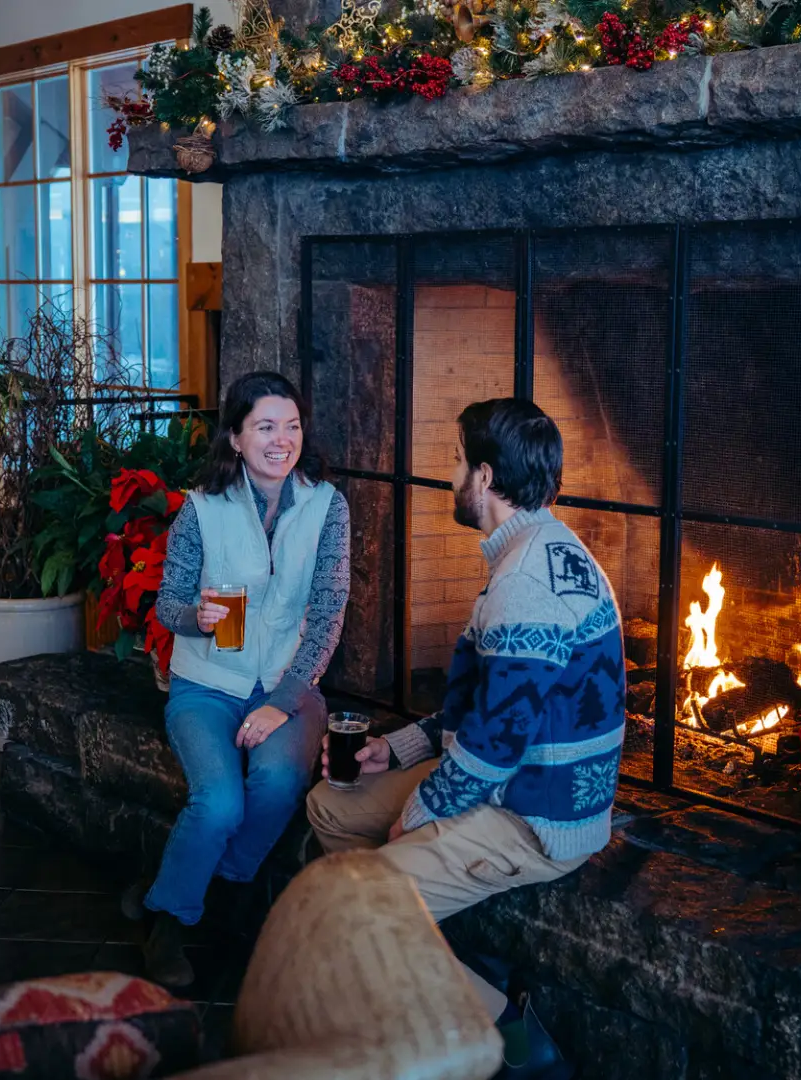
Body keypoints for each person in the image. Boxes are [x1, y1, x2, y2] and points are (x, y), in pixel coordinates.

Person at [304, 397, 623, 1076]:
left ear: (483, 477)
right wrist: (400, 749)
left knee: (349, 912)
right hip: (505, 779)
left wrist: (417, 816)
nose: (449, 474)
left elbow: (495, 744)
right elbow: (490, 712)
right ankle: (435, 959)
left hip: (536, 814)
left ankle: (514, 1038)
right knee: (331, 808)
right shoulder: (534, 551)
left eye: (454, 461)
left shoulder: (526, 585)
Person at [125, 371, 350, 988]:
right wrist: (195, 617)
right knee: (220, 800)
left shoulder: (328, 506)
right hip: (205, 686)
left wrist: (281, 702)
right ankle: (170, 923)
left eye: (293, 426)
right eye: (266, 427)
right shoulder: (201, 510)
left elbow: (329, 616)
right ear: (236, 436)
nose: (282, 440)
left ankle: (183, 888)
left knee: (278, 780)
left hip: (288, 686)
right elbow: (167, 605)